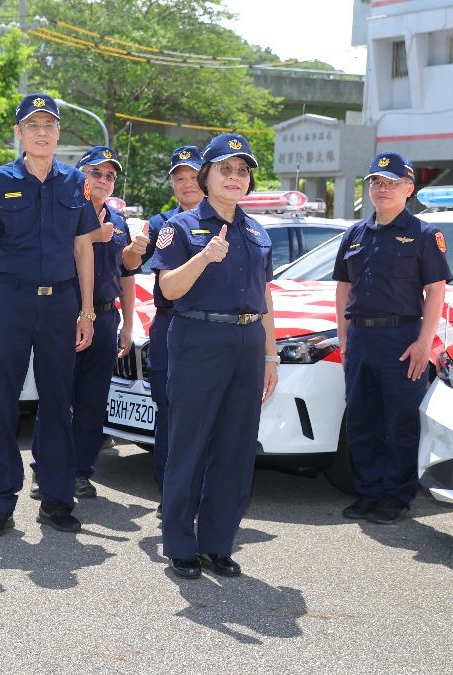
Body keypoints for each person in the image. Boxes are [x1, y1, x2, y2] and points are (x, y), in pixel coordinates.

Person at [151, 133, 279, 579]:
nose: (235, 177)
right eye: (226, 169)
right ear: (206, 177)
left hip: (246, 343)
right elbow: (168, 289)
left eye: (242, 171)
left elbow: (264, 296)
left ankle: (217, 543)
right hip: (198, 339)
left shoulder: (257, 230)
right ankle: (181, 544)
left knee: (236, 448)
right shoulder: (182, 228)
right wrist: (204, 257)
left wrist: (270, 356)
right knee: (190, 444)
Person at [0, 93, 98, 536]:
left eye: (49, 125)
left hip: (61, 302)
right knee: (1, 400)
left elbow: (83, 246)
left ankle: (57, 497)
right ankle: (1, 501)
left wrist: (87, 309)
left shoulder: (74, 182)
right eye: (33, 125)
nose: (42, 132)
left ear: (58, 133)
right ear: (19, 132)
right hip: (11, 298)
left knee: (57, 401)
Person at [333, 152, 451, 524]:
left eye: (391, 183)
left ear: (409, 189)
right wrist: (343, 335)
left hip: (401, 338)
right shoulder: (354, 234)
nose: (382, 189)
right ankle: (368, 493)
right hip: (361, 339)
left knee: (398, 421)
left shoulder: (424, 235)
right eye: (376, 183)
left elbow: (436, 290)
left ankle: (397, 496)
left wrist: (423, 341)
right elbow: (343, 287)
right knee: (361, 419)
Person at [123, 145, 203, 514]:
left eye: (192, 176)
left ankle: (202, 492)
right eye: (179, 178)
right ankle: (170, 495)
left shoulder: (227, 220)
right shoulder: (162, 224)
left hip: (211, 331)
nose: (186, 184)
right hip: (172, 326)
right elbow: (130, 261)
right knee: (168, 413)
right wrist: (135, 249)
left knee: (207, 415)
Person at [63, 146, 137, 498]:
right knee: (58, 395)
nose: (104, 180)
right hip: (65, 315)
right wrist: (93, 237)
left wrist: (128, 325)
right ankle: (48, 470)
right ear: (81, 176)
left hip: (107, 316)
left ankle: (80, 471)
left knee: (93, 399)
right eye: (96, 173)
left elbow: (127, 275)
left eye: (110, 176)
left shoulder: (119, 220)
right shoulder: (65, 212)